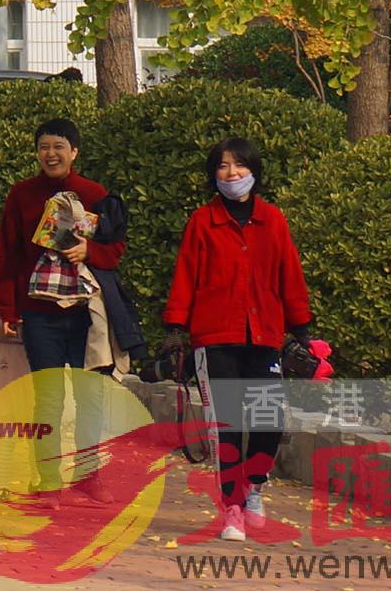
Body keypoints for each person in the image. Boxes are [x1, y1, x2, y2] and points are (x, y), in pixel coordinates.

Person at [162, 136, 315, 541]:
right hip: (214, 337)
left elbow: (290, 277)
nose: (232, 174)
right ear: (213, 176)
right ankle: (231, 507)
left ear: (254, 172)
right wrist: (176, 326)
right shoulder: (202, 222)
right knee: (227, 426)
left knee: (268, 419)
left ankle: (254, 487)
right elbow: (186, 275)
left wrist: (302, 328)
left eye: (240, 166)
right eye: (223, 167)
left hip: (264, 335)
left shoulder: (273, 221)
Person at [0, 118, 131, 374]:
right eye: (44, 147)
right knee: (47, 393)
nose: (51, 154)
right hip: (38, 313)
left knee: (88, 392)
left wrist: (90, 252)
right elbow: (8, 255)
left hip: (85, 310)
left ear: (74, 152)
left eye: (59, 146)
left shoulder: (94, 194)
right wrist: (8, 310)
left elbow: (116, 248)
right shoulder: (21, 194)